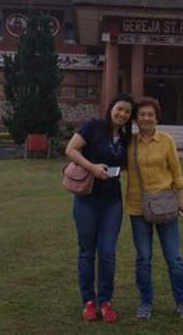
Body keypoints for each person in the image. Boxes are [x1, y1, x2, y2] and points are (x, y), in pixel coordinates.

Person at [65, 93, 135, 323]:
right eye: (119, 109)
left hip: (112, 202)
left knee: (107, 252)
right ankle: (89, 301)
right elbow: (71, 149)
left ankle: (105, 301)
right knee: (87, 251)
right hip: (87, 199)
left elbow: (125, 165)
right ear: (111, 108)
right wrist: (93, 167)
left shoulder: (125, 138)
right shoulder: (93, 127)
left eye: (127, 112)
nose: (122, 114)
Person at [125, 96, 183, 319]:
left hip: (165, 205)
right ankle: (145, 302)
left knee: (174, 258)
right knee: (143, 258)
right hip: (138, 207)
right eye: (142, 114)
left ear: (157, 118)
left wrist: (182, 200)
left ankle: (182, 301)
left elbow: (176, 173)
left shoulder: (166, 140)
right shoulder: (129, 142)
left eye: (150, 115)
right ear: (136, 118)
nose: (146, 118)